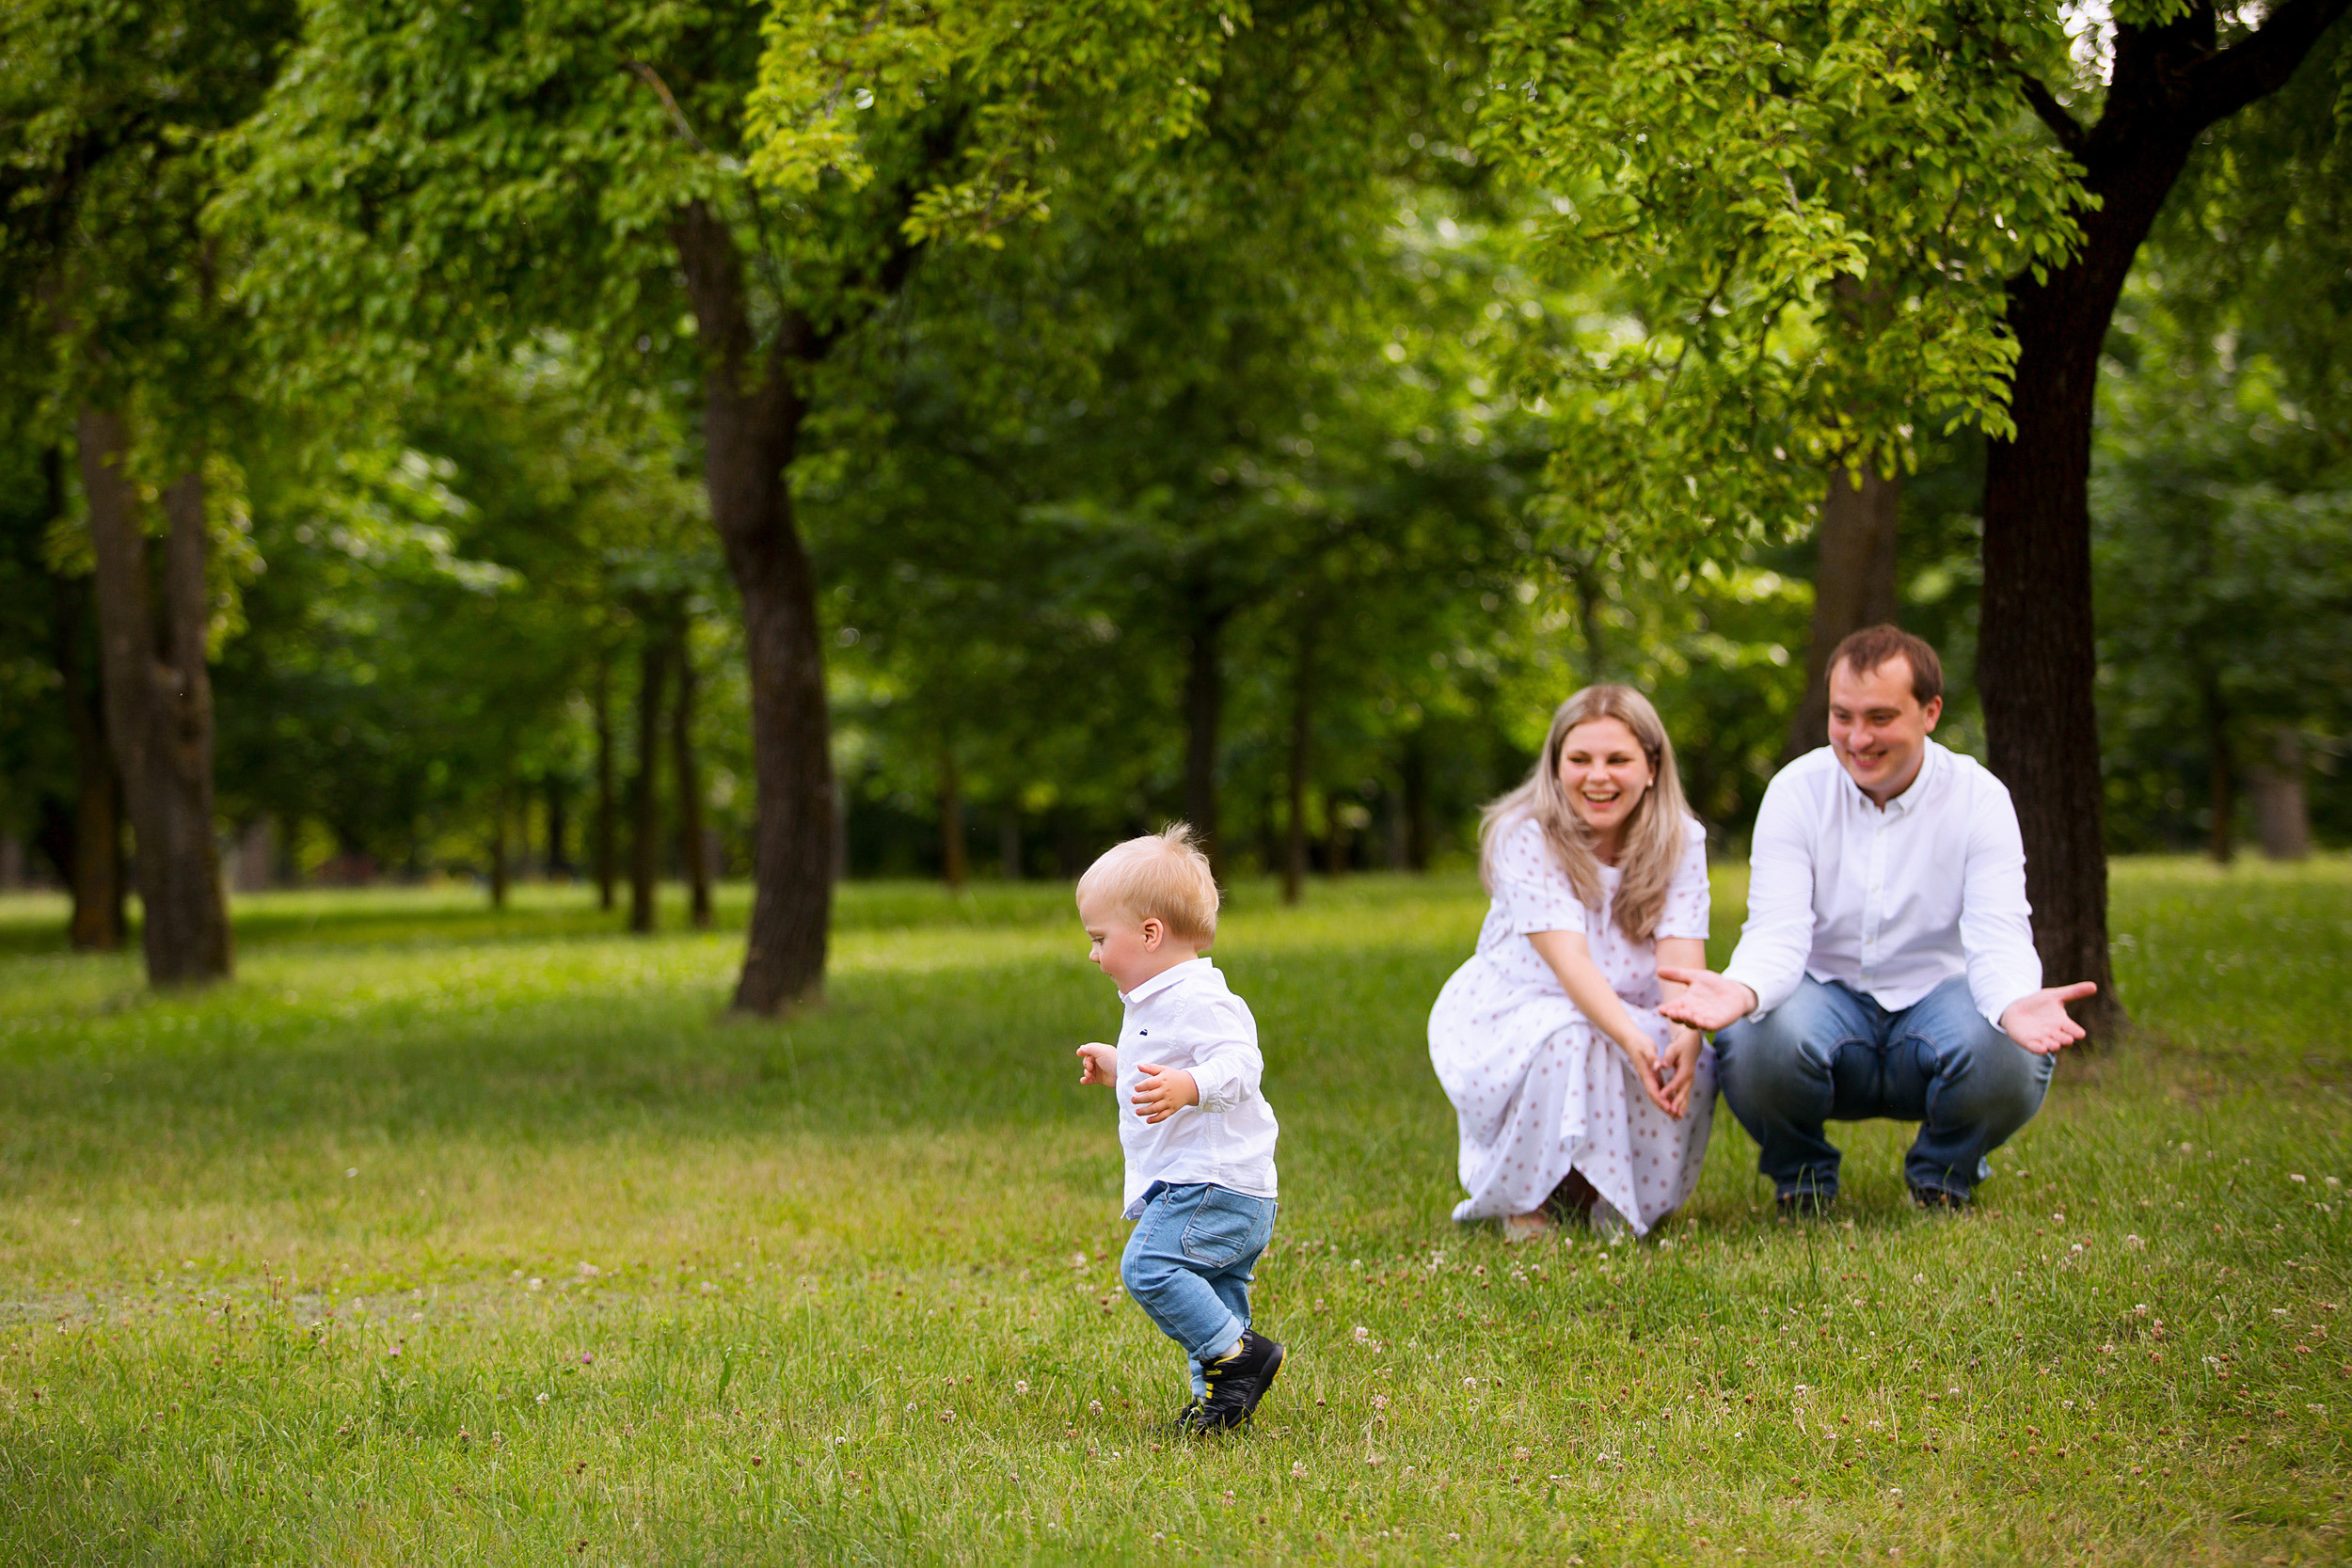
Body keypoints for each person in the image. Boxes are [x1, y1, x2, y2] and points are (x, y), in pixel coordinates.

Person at [1660, 626, 2097, 1212]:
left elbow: (1999, 932)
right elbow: (1777, 932)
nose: (1858, 738)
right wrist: (1741, 991)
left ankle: (1943, 1176)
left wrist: (2015, 1001)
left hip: (1939, 1007)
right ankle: (1804, 1180)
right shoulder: (1796, 792)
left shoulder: (1980, 798)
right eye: (1842, 716)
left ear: (1930, 712)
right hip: (1822, 1005)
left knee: (2013, 1049)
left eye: (1880, 717)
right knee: (1751, 1032)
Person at [1427, 686, 1715, 1242]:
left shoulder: (1679, 839)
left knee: (1682, 1051)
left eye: (1618, 760)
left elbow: (1681, 967)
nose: (1597, 776)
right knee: (1570, 1036)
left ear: (1652, 767)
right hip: (1525, 1001)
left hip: (1632, 997)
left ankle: (1611, 1197)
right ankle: (1527, 1199)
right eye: (1579, 760)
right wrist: (1632, 1040)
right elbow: (1571, 964)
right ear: (1556, 768)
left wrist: (1685, 1035)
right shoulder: (1527, 836)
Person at [1073, 824, 1284, 1433]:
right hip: (1230, 1186)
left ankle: (1243, 1357)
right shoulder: (1159, 1000)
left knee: (1149, 1269)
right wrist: (1122, 1069)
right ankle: (1219, 1404)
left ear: (1149, 932)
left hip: (1208, 1184)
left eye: (1098, 938)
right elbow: (1168, 1064)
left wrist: (1193, 1086)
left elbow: (1241, 1064)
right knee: (1213, 1292)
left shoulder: (1198, 996)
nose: (1093, 954)